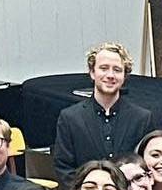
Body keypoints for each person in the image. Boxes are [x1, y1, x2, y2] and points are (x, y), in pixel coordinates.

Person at [53, 41, 156, 173]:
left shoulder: (142, 118)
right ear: (92, 72)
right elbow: (63, 167)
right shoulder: (70, 118)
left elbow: (147, 166)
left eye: (117, 70)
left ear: (125, 76)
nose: (110, 75)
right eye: (104, 68)